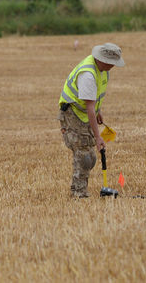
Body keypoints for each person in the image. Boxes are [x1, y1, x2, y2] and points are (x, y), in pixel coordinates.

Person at [57, 42, 125, 198]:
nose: (114, 66)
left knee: (91, 157)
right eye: (112, 63)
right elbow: (89, 108)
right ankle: (79, 194)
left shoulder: (102, 70)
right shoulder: (88, 74)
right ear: (104, 60)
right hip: (72, 114)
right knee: (84, 155)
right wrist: (98, 136)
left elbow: (94, 100)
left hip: (85, 112)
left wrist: (98, 110)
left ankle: (80, 189)